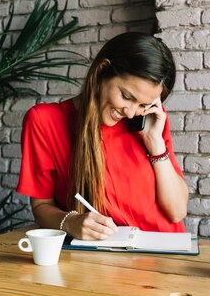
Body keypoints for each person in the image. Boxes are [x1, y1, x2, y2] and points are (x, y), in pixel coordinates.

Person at [16, 32, 189, 241]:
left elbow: (177, 212)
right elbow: (41, 206)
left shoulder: (150, 122)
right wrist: (71, 222)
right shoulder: (45, 121)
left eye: (143, 104)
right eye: (127, 96)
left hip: (166, 252)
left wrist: (155, 143)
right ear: (101, 70)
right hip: (103, 260)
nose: (131, 112)